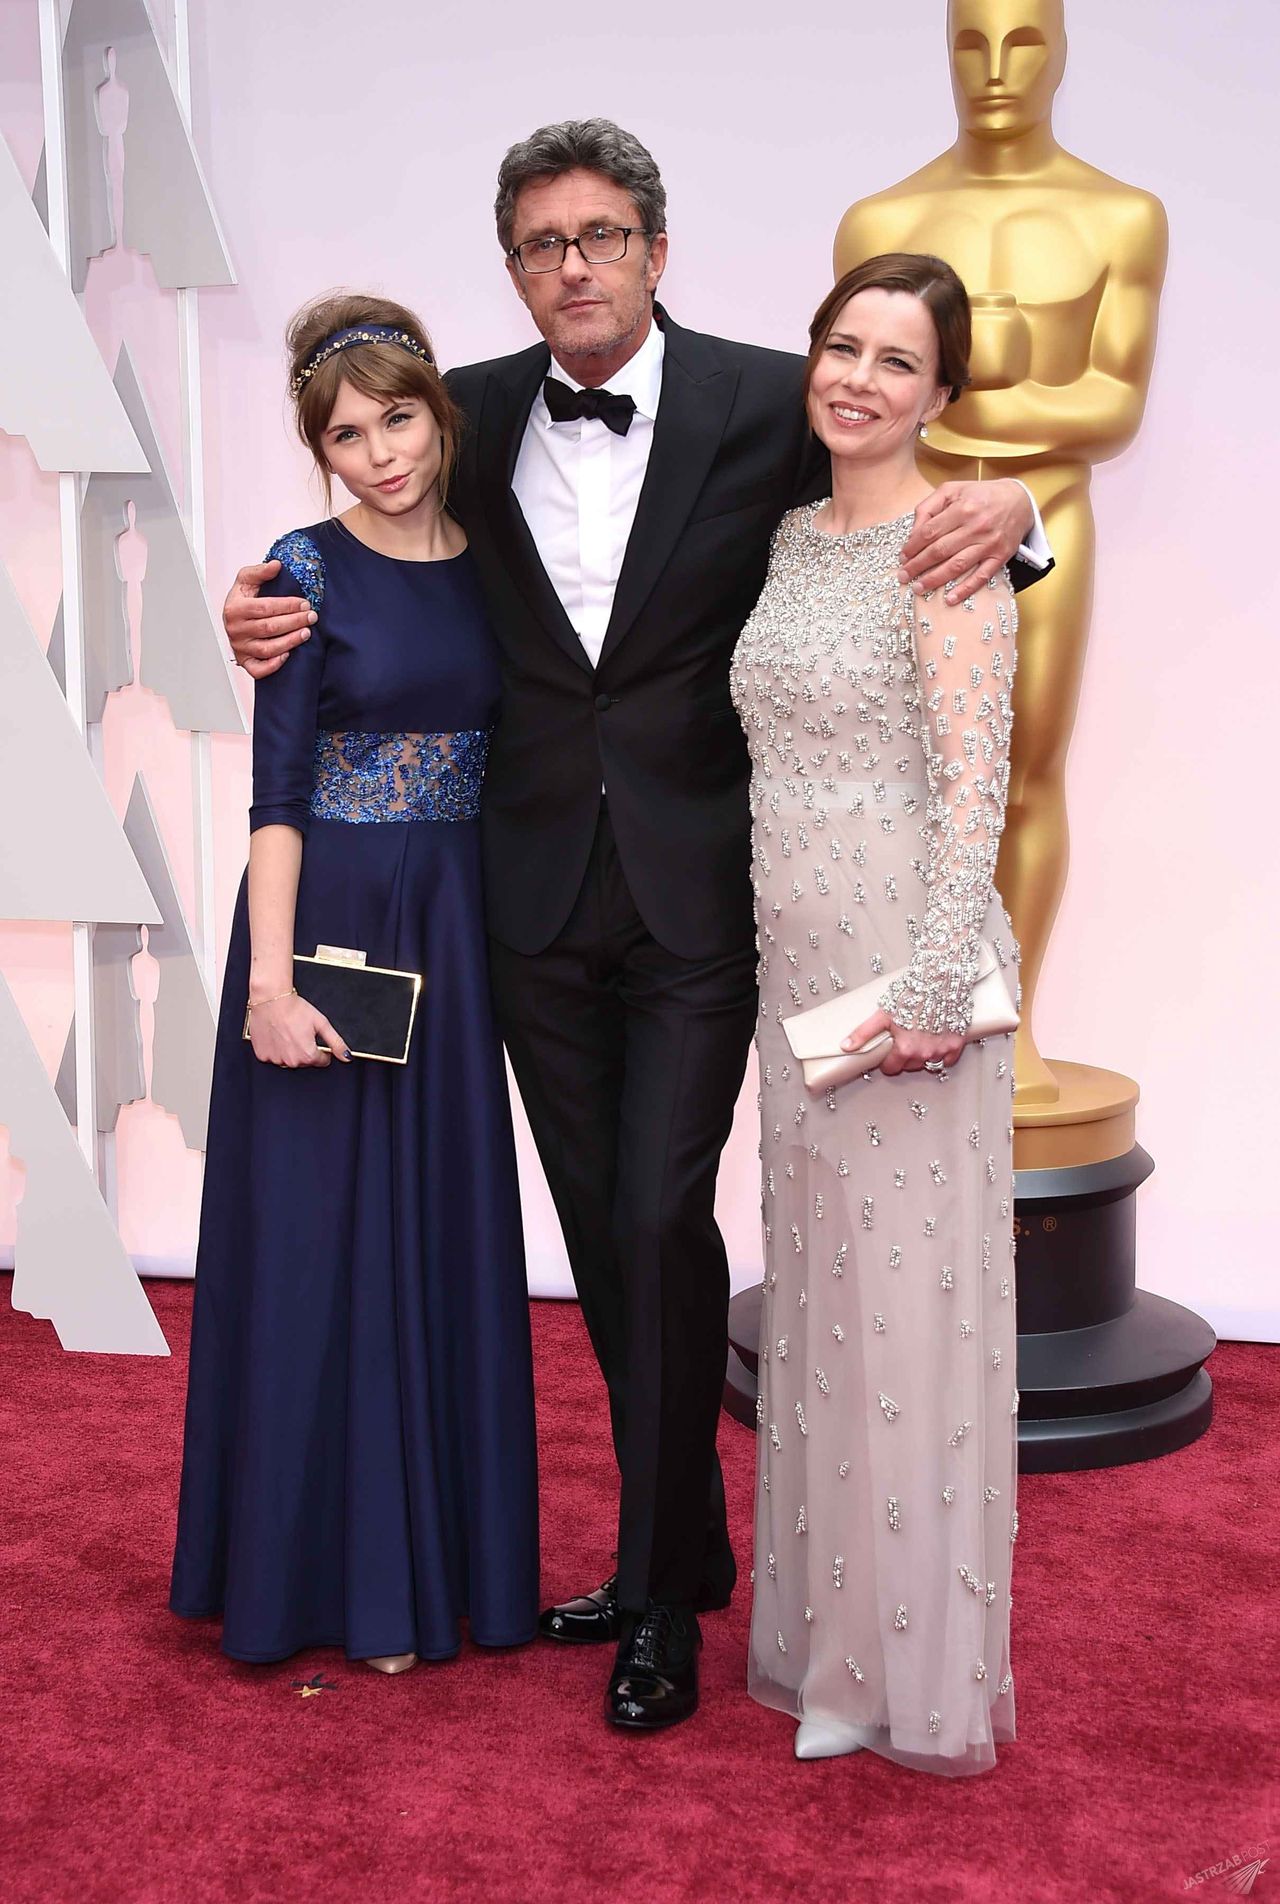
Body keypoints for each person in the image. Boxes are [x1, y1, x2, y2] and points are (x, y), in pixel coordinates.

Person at [224, 121, 1047, 1731]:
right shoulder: (457, 413)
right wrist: (257, 605)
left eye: (600, 237)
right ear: (514, 266)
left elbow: (898, 490)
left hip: (699, 894)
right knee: (606, 1237)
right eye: (542, 245)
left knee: (666, 1219)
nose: (573, 269)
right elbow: (359, 550)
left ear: (657, 251)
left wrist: (1015, 512)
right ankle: (680, 1544)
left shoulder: (764, 395)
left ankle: (662, 1599)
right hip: (518, 902)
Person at [170, 294, 539, 1671]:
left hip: (452, 928)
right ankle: (333, 1583)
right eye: (345, 434)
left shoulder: (497, 550)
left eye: (397, 420)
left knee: (435, 1232)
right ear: (316, 447)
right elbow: (275, 796)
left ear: (440, 412)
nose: (379, 454)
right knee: (327, 1247)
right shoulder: (301, 571)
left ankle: (431, 1564)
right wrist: (268, 986)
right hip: (326, 928)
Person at [733, 254, 1017, 1773]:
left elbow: (981, 786)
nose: (858, 378)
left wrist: (925, 990)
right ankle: (837, 1638)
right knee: (829, 1314)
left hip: (903, 989)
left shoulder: (955, 545)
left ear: (943, 397)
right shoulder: (785, 537)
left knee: (903, 1321)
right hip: (797, 981)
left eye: (898, 362)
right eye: (842, 346)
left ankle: (900, 1678)